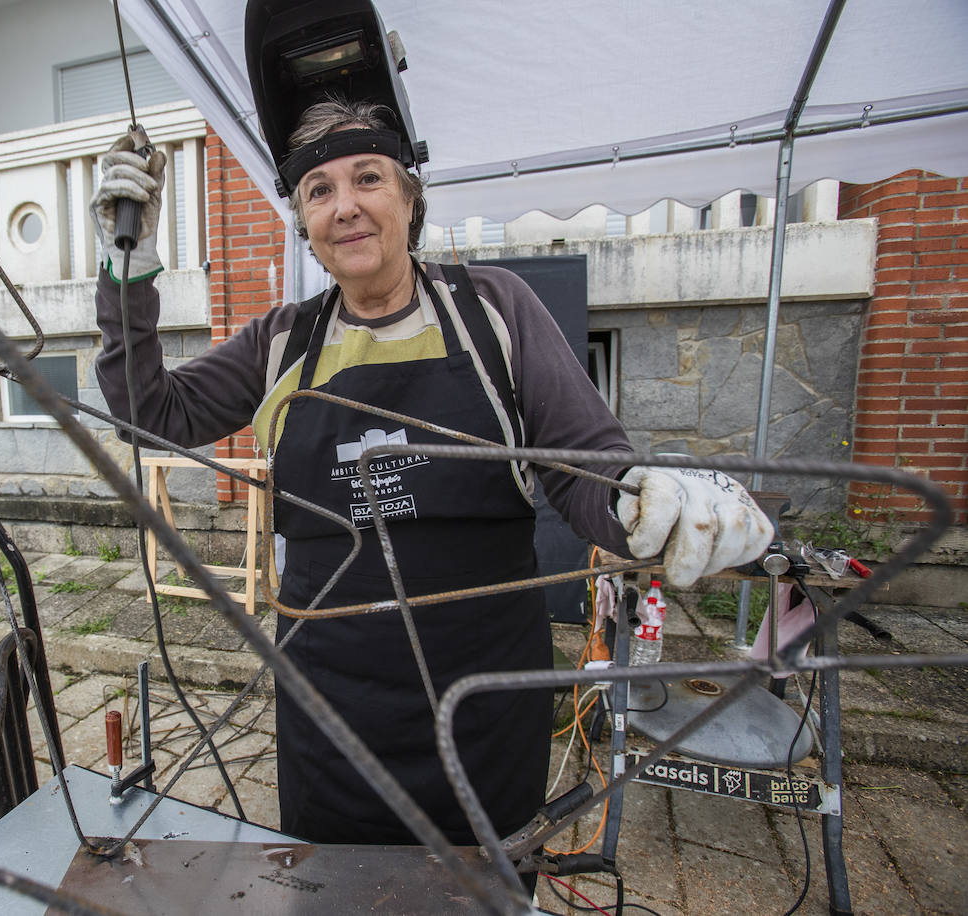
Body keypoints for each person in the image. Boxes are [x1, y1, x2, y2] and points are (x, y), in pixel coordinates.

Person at [89, 97, 772, 855]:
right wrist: (128, 269)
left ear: (410, 200)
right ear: (303, 223)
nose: (345, 206)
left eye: (368, 178)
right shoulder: (280, 341)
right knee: (332, 893)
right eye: (319, 191)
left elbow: (586, 471)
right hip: (330, 708)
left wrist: (651, 505)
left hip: (484, 702)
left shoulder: (494, 311)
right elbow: (149, 412)